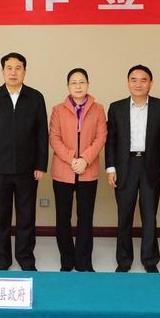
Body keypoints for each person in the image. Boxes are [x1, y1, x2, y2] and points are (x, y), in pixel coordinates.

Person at [0, 52, 48, 271]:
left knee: (26, 216)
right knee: (0, 217)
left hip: (28, 170)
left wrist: (41, 165)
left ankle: (25, 258)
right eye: (9, 68)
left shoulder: (35, 97)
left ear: (24, 71)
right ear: (2, 71)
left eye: (18, 68)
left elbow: (42, 134)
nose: (13, 72)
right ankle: (2, 260)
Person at [106, 65, 160, 273]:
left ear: (151, 83)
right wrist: (110, 168)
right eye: (133, 80)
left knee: (149, 216)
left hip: (151, 166)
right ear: (128, 83)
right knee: (124, 216)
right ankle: (123, 260)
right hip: (124, 166)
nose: (138, 84)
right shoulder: (116, 107)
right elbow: (111, 141)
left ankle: (150, 260)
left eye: (143, 80)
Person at [49, 68, 107, 272]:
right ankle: (66, 260)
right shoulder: (57, 110)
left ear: (88, 84)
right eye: (73, 82)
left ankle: (83, 261)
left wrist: (85, 159)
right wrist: (72, 159)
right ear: (68, 86)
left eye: (82, 82)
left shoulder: (98, 109)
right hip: (63, 170)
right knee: (63, 217)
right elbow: (54, 138)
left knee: (85, 217)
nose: (78, 86)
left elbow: (101, 137)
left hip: (88, 171)